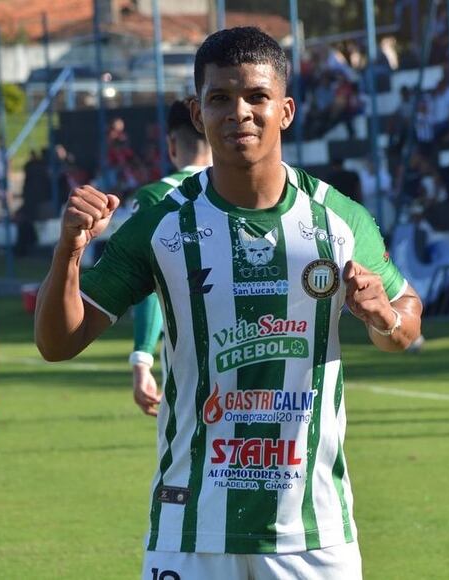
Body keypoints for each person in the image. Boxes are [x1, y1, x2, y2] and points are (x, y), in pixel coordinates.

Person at [35, 27, 422, 579]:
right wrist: (68, 253)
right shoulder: (162, 224)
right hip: (189, 524)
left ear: (285, 110)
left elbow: (407, 318)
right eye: (220, 98)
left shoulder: (339, 220)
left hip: (310, 530)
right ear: (197, 113)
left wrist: (386, 316)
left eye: (256, 97)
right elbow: (57, 342)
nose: (239, 112)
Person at [129, 97, 213, 417]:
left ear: (172, 143)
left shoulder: (155, 197)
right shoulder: (247, 192)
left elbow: (148, 285)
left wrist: (141, 359)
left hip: (188, 358)